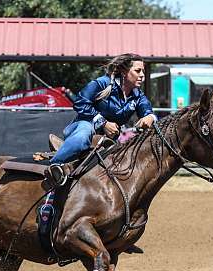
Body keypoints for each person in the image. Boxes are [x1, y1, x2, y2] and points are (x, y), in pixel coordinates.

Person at [47, 53, 157, 185]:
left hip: (112, 138)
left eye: (143, 71)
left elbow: (147, 111)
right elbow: (80, 102)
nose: (142, 75)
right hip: (84, 125)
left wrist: (150, 117)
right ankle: (53, 167)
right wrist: (103, 123)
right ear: (123, 71)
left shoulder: (138, 96)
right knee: (83, 136)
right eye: (138, 71)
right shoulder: (102, 83)